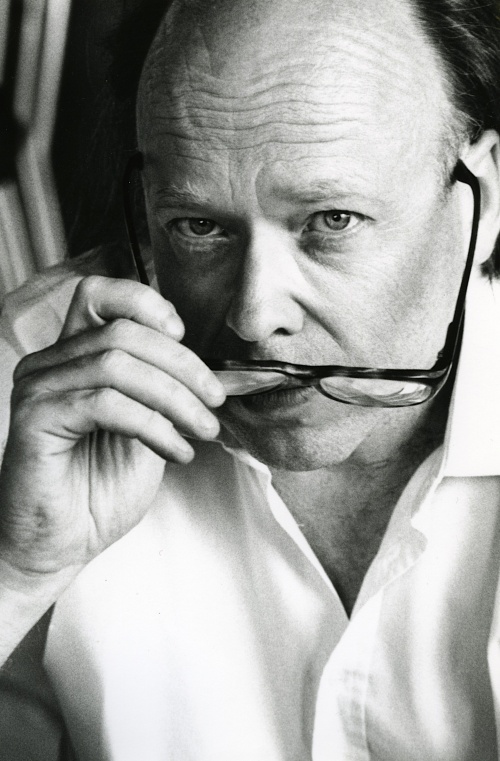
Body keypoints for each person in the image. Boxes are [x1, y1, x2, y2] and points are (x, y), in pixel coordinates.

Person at [1, 0, 500, 758]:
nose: (254, 316)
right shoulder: (36, 379)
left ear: (485, 198)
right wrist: (18, 569)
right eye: (199, 226)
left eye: (331, 220)